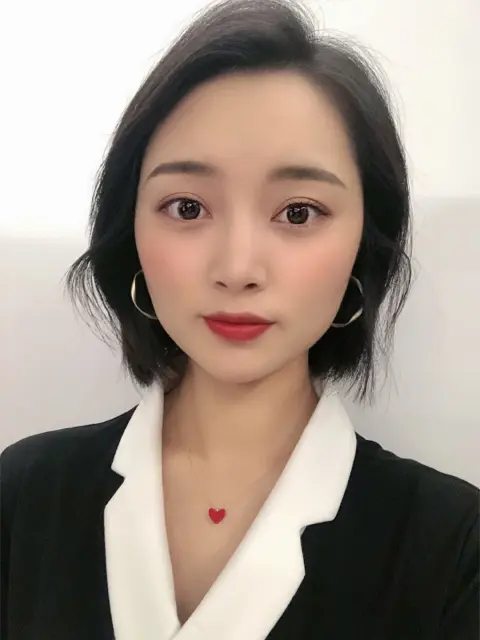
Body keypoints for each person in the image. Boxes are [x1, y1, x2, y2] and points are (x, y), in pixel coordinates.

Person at [1, 0, 478, 638]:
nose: (237, 268)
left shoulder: (451, 546)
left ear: (365, 242)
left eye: (299, 212)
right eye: (188, 207)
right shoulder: (24, 495)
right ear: (130, 228)